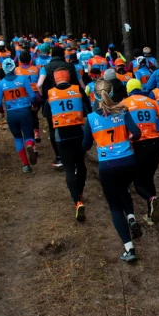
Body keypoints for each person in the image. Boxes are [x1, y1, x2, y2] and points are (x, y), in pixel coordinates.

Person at [83, 79, 143, 262]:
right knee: (123, 188)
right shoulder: (123, 112)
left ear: (94, 95)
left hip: (108, 165)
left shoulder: (91, 118)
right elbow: (138, 133)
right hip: (128, 161)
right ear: (113, 93)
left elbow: (85, 146)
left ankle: (129, 249)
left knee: (115, 207)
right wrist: (126, 140)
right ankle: (132, 217)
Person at [45, 68, 91, 221]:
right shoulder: (77, 90)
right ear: (69, 78)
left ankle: (77, 201)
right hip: (79, 132)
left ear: (56, 79)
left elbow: (46, 114)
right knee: (81, 164)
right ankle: (80, 192)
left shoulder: (51, 93)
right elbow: (86, 111)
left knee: (69, 169)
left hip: (61, 135)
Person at [124, 79, 159, 224]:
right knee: (149, 177)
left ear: (128, 90)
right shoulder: (152, 101)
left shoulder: (124, 104)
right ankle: (150, 214)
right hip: (154, 144)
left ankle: (151, 199)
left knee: (138, 180)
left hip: (138, 145)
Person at [39, 47, 83, 168]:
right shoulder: (71, 66)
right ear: (63, 54)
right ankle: (76, 155)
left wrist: (44, 96)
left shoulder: (45, 67)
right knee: (75, 125)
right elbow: (82, 84)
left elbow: (39, 84)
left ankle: (59, 156)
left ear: (52, 54)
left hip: (54, 101)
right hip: (73, 99)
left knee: (54, 129)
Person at [0, 58, 37, 173]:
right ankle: (29, 145)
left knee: (18, 138)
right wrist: (33, 105)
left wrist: (1, 111)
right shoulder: (23, 79)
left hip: (11, 114)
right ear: (14, 67)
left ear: (3, 69)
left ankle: (25, 165)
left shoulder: (1, 84)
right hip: (25, 111)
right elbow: (33, 96)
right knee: (29, 135)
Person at [13, 51, 42, 143]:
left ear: (20, 60)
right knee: (34, 114)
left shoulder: (16, 70)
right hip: (37, 96)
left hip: (23, 97)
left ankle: (31, 141)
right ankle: (36, 132)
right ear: (30, 59)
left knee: (27, 117)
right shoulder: (37, 69)